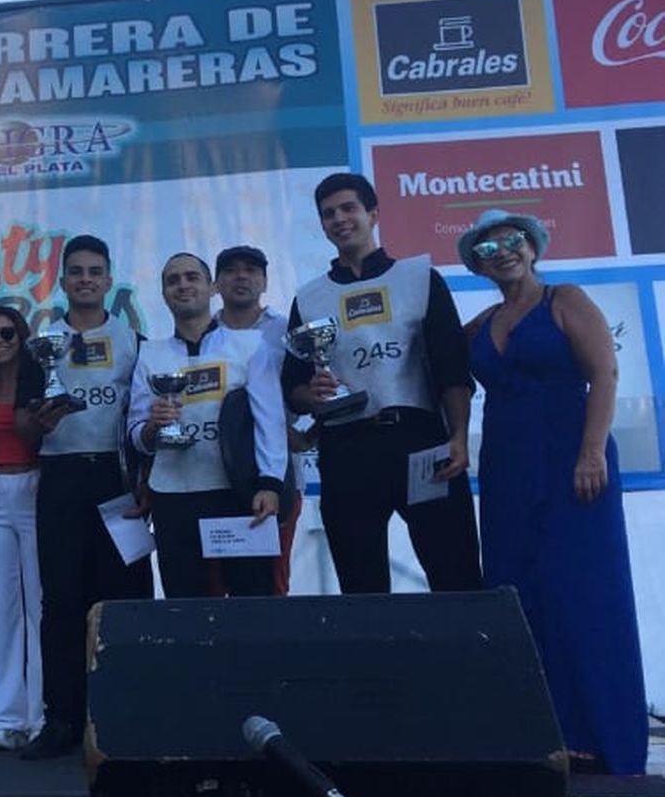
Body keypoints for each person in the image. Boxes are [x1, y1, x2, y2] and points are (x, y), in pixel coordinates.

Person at [459, 209, 648, 775]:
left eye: (513, 240)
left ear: (533, 247)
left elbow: (605, 374)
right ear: (478, 263)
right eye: (489, 248)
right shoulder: (478, 325)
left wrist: (591, 452)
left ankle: (600, 735)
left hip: (571, 462)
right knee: (518, 594)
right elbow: (442, 379)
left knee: (583, 593)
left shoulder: (565, 300)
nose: (504, 251)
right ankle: (540, 736)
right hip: (506, 471)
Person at [282, 173, 482, 594]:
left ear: (372, 214)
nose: (339, 219)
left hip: (421, 442)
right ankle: (378, 662)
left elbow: (451, 367)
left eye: (348, 208)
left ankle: (467, 659)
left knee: (455, 573)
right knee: (362, 587)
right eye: (328, 214)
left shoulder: (419, 277)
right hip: (348, 450)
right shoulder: (309, 297)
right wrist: (312, 395)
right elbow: (294, 388)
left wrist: (459, 435)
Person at [15, 234, 154, 760]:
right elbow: (25, 429)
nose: (86, 279)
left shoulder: (134, 341)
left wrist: (145, 479)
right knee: (61, 602)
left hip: (119, 482)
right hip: (60, 481)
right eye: (76, 271)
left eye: (95, 271)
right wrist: (40, 420)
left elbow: (142, 419)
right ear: (63, 279)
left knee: (127, 601)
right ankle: (61, 719)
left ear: (109, 277)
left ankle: (127, 711)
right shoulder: (40, 344)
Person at [129, 253, 286, 598]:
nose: (183, 285)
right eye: (173, 280)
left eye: (191, 277)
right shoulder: (150, 354)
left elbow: (269, 421)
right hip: (173, 496)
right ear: (164, 294)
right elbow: (137, 437)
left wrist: (270, 483)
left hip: (237, 491)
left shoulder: (249, 345)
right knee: (184, 606)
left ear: (211, 287)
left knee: (253, 601)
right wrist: (153, 428)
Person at [0, 307, 44, 751]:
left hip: (34, 486)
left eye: (8, 333)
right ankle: (4, 717)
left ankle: (39, 716)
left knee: (38, 606)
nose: (0, 340)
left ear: (22, 335)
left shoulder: (38, 378)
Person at [214, 245, 302, 595]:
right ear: (216, 284)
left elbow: (310, 392)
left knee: (272, 581)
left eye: (251, 270)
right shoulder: (201, 336)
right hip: (215, 478)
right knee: (217, 583)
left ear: (265, 281)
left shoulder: (288, 332)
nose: (241, 276)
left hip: (276, 475)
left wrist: (303, 434)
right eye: (231, 270)